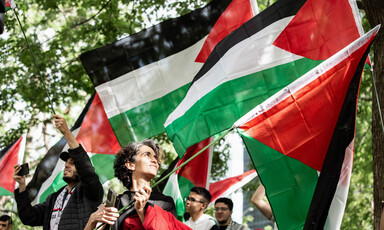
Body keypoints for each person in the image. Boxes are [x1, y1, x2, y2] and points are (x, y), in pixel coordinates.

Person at [13, 115, 103, 230]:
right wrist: (21, 185)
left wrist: (66, 133)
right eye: (66, 162)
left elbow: (87, 171)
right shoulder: (53, 198)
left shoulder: (90, 191)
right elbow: (28, 217)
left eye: (72, 162)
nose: (66, 165)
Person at [85, 140, 191, 230]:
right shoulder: (116, 202)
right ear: (130, 165)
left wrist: (143, 211)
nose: (154, 160)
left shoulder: (165, 202)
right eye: (147, 155)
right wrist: (92, 220)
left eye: (155, 157)